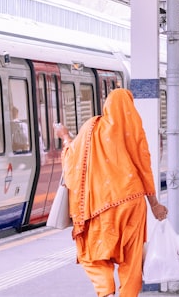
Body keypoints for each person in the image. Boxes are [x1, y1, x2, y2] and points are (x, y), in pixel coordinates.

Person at [56, 89, 168, 297]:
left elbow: (71, 160)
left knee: (95, 253)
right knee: (132, 259)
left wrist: (65, 137)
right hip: (132, 202)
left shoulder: (92, 128)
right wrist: (154, 204)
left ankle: (105, 291)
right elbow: (144, 167)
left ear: (107, 105)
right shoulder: (135, 131)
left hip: (100, 205)